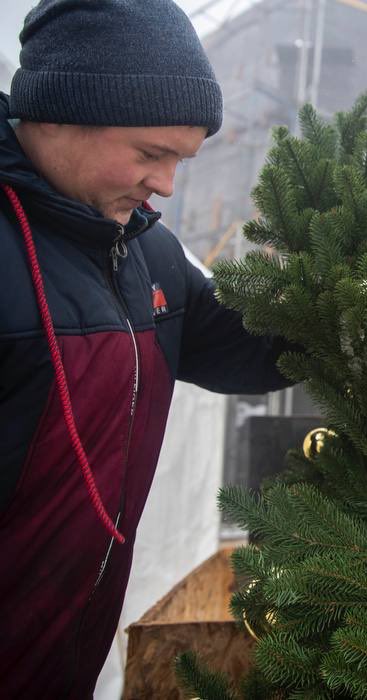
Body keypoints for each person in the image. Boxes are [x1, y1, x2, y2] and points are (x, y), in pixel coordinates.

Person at [0, 1, 295, 696]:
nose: (165, 184)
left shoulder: (148, 252)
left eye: (180, 160)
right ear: (59, 113)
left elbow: (243, 350)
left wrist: (335, 299)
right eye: (150, 153)